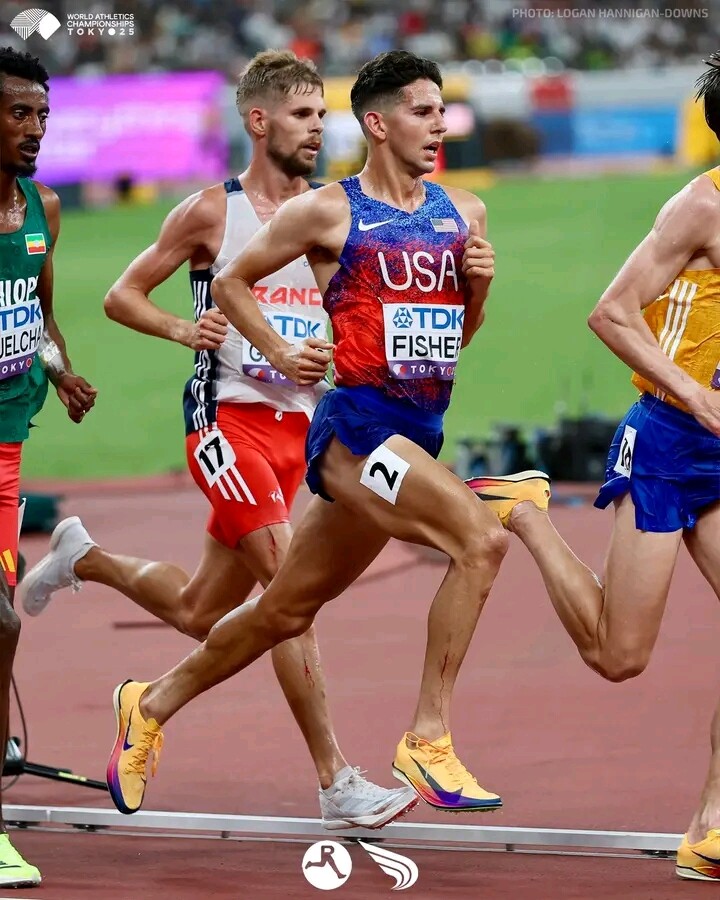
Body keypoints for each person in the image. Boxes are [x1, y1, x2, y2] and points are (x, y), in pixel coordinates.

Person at [100, 49, 551, 818]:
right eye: (422, 110)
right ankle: (428, 736)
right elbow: (232, 281)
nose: (439, 124)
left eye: (442, 110)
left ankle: (149, 703)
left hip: (418, 430)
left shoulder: (464, 214)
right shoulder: (326, 212)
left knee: (283, 610)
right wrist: (279, 353)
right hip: (356, 434)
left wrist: (478, 288)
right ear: (377, 123)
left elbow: (455, 342)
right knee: (481, 541)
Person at [20, 50, 415, 830]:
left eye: (322, 115)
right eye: (302, 115)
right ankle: (336, 780)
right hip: (225, 423)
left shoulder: (331, 211)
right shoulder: (211, 212)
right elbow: (121, 296)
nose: (318, 128)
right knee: (290, 594)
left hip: (302, 433)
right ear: (258, 121)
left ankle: (82, 557)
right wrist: (183, 328)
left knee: (204, 610)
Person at [468, 52, 720, 884]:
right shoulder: (701, 206)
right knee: (620, 655)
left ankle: (711, 826)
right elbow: (611, 313)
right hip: (669, 442)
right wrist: (698, 395)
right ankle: (526, 512)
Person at [0, 47, 97, 887]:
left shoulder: (42, 209)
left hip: (7, 452)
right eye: (17, 114)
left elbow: (36, 311)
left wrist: (59, 369)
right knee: (0, 623)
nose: (34, 130)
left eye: (42, 116)